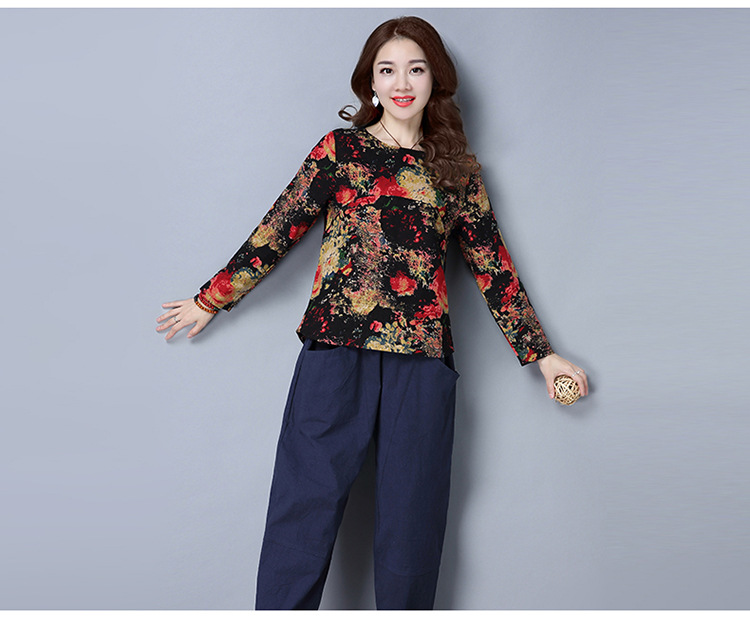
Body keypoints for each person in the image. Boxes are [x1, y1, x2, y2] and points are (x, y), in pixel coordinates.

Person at [156, 16, 588, 610]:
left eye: (415, 69)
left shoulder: (458, 172)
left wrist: (542, 354)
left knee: (413, 525)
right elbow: (279, 228)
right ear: (370, 82)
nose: (401, 83)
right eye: (387, 70)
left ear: (436, 79)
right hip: (336, 354)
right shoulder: (341, 152)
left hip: (422, 363)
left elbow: (494, 268)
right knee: (302, 513)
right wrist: (212, 298)